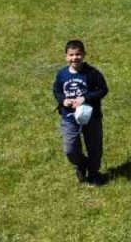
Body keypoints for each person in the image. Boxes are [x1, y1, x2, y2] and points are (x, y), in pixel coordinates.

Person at [53, 39, 109, 185]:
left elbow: (103, 89)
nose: (74, 58)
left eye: (78, 54)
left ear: (84, 54)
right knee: (70, 149)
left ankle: (94, 174)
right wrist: (63, 100)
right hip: (69, 118)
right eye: (71, 55)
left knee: (94, 148)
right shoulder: (62, 74)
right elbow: (57, 91)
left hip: (91, 117)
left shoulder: (92, 73)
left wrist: (85, 98)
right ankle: (82, 164)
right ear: (65, 56)